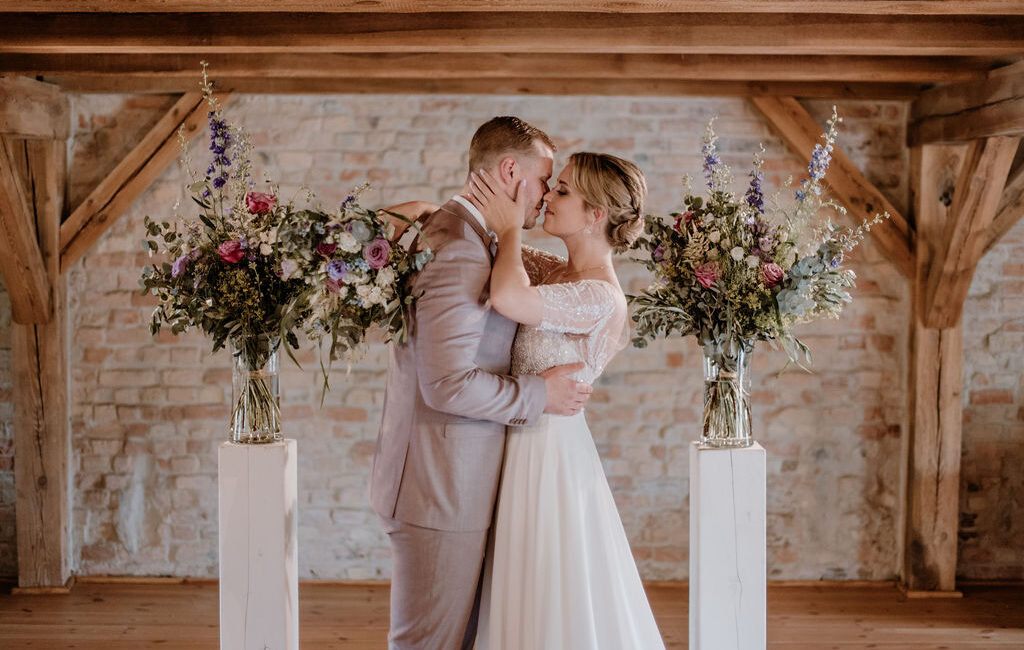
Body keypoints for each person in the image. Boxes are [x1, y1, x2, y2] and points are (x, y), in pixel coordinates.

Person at [368, 116, 593, 650]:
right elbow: (446, 383)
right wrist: (543, 395)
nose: (543, 196)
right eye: (544, 180)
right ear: (511, 171)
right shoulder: (462, 247)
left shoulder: (468, 233)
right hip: (440, 489)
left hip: (454, 481)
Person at [465, 152, 666, 649]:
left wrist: (513, 227)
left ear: (595, 215)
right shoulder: (559, 272)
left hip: (548, 453)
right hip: (521, 435)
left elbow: (510, 297)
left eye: (563, 191)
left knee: (547, 580)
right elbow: (491, 250)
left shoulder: (601, 296)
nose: (548, 196)